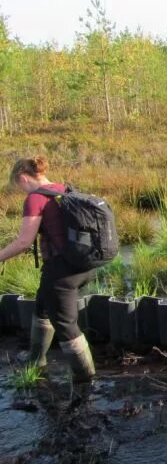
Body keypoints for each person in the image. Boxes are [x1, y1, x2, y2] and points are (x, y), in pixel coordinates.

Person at [0, 157, 96, 381]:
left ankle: (86, 379)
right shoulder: (65, 190)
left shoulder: (35, 198)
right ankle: (36, 360)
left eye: (19, 186)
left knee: (65, 325)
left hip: (63, 271)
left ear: (23, 178)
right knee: (43, 306)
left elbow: (24, 242)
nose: (21, 190)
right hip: (83, 264)